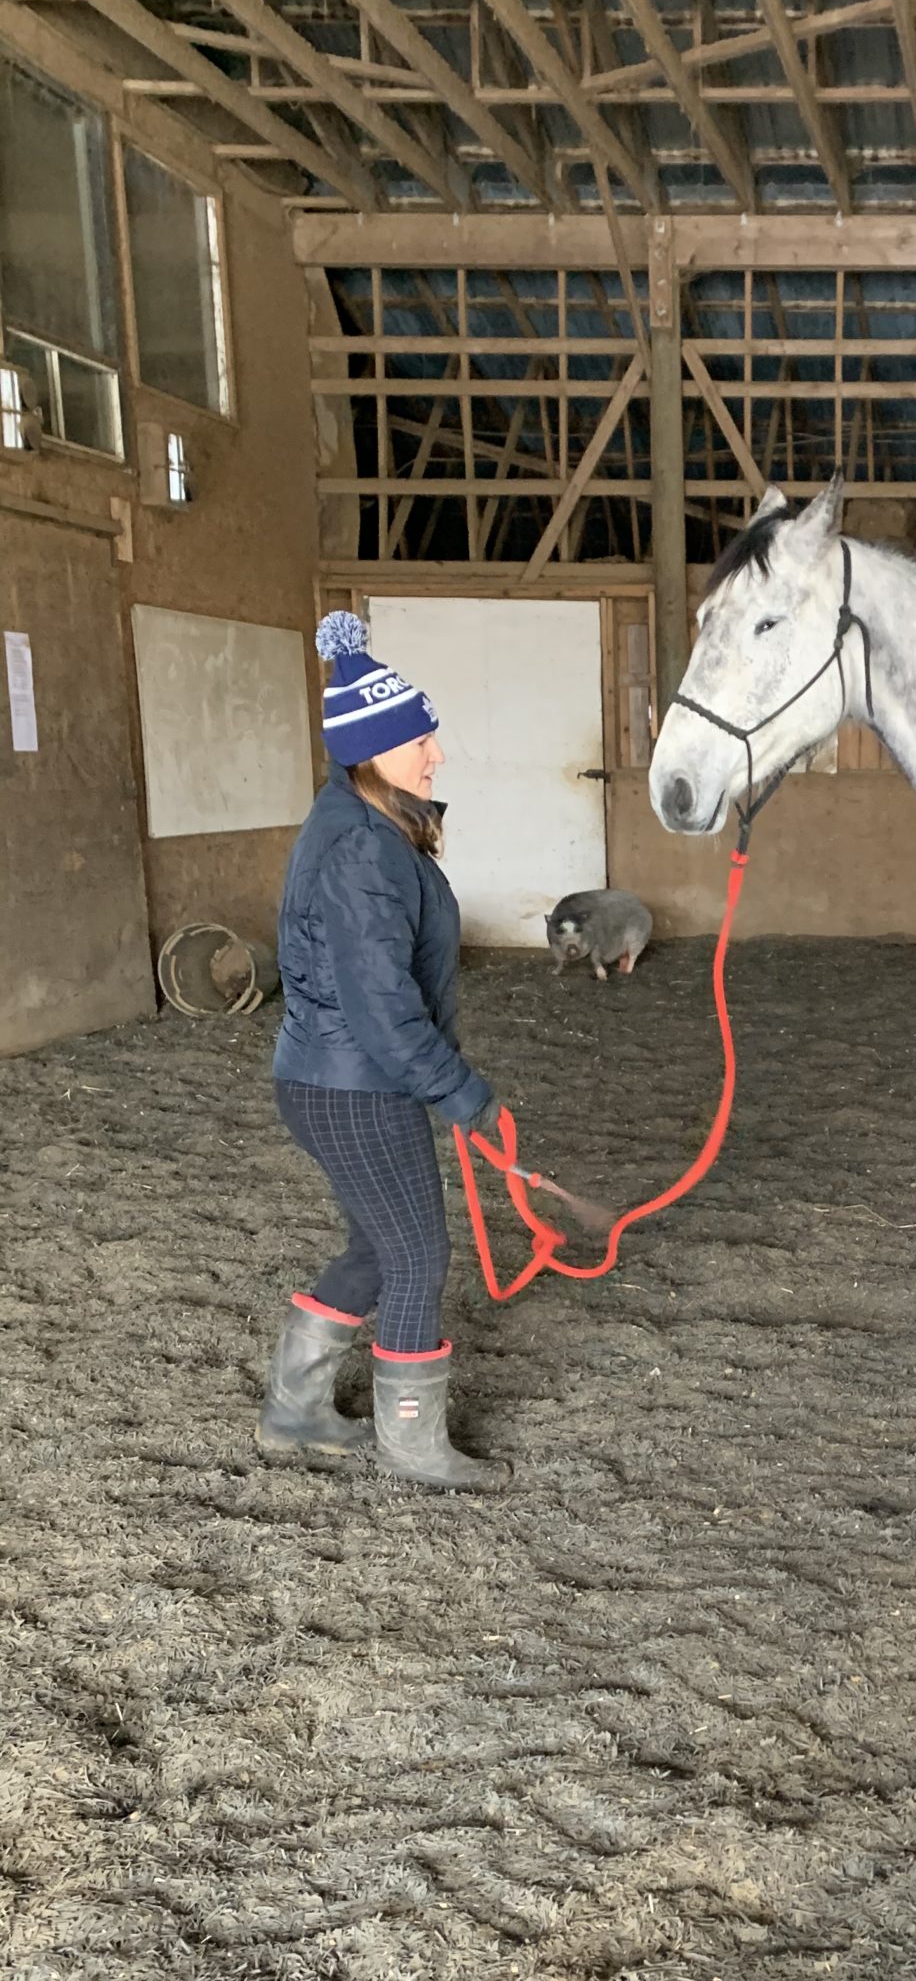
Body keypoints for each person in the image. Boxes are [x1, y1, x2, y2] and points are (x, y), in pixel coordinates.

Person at [257, 612, 510, 1493]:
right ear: (374, 753)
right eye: (421, 743)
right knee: (416, 1257)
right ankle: (411, 1446)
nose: (436, 756)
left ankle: (295, 1409)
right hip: (356, 1082)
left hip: (333, 1077)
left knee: (377, 1244)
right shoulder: (362, 849)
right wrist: (464, 1094)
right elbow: (383, 1010)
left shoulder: (362, 824)